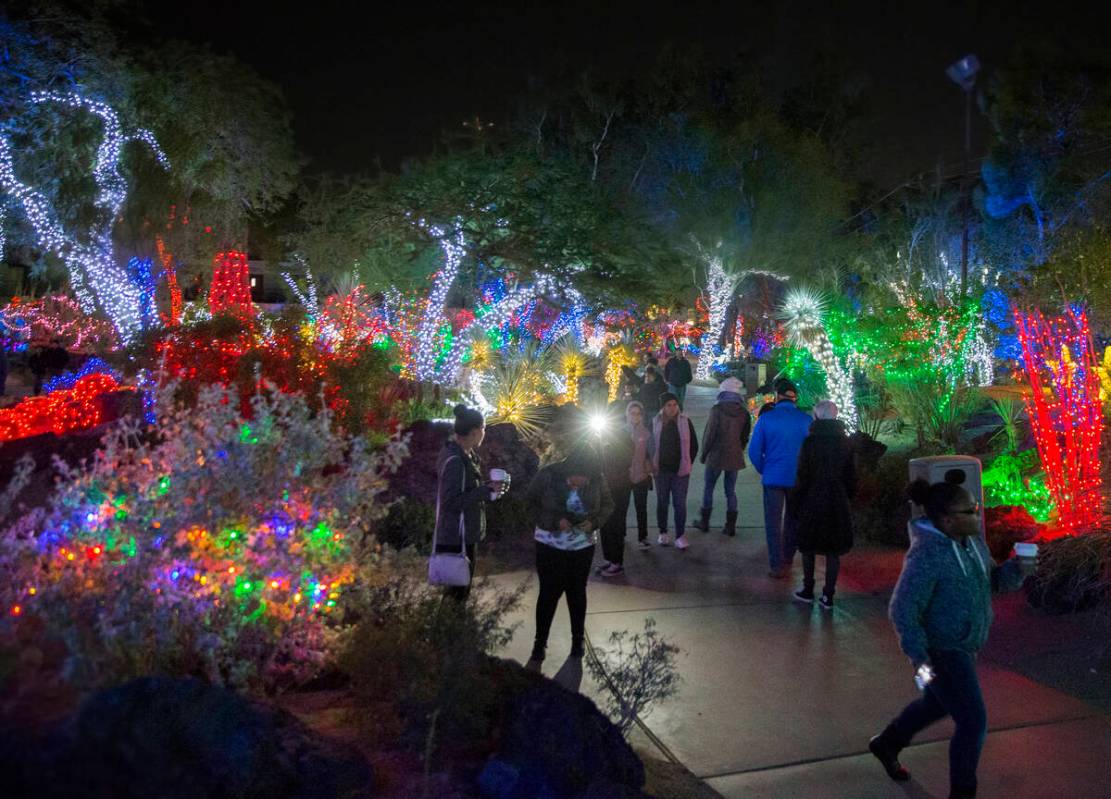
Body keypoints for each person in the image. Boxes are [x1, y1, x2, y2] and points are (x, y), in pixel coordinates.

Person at [869, 479, 1034, 799]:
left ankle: (886, 744)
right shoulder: (927, 556)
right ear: (946, 520)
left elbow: (993, 583)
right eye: (970, 510)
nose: (977, 514)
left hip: (964, 646)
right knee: (973, 722)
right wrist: (920, 657)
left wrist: (1019, 567)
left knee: (935, 705)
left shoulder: (972, 543)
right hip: (941, 651)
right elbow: (902, 609)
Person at [525, 437, 614, 667]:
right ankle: (539, 642)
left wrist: (593, 522)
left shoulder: (596, 478)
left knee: (577, 593)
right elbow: (529, 504)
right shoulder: (548, 475)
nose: (583, 483)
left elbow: (608, 505)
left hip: (582, 546)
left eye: (587, 479)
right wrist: (555, 521)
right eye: (579, 478)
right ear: (571, 468)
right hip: (549, 544)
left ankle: (577, 641)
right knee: (549, 593)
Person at [433, 404, 503, 601]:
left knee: (458, 591)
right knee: (457, 594)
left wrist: (487, 491)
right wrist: (483, 491)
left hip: (463, 533)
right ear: (474, 431)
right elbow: (450, 501)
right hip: (457, 536)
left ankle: (453, 628)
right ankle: (452, 630)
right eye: (484, 428)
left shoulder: (466, 455)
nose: (484, 433)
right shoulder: (456, 460)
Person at [791, 400, 856, 608]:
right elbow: (851, 475)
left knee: (808, 546)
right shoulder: (845, 442)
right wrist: (848, 497)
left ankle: (808, 588)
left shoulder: (810, 442)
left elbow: (802, 474)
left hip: (812, 498)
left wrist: (797, 500)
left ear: (816, 416)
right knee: (833, 550)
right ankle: (829, 594)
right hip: (837, 500)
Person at [747, 379, 812, 578]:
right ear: (794, 398)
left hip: (773, 477)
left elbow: (754, 451)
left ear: (778, 396)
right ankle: (788, 556)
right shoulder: (806, 420)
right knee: (792, 519)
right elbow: (811, 452)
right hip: (797, 478)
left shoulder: (766, 419)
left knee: (773, 522)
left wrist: (764, 469)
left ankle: (776, 564)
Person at [599, 401, 654, 573]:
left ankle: (617, 561)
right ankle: (609, 558)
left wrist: (646, 469)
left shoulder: (629, 437)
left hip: (623, 483)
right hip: (609, 484)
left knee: (616, 521)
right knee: (607, 523)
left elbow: (630, 458)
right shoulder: (608, 435)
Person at [695, 377, 751, 536]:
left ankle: (705, 522)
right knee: (730, 491)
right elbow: (745, 434)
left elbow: (709, 434)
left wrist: (704, 454)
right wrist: (739, 448)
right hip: (734, 455)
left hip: (716, 455)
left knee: (709, 487)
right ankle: (730, 525)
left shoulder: (717, 410)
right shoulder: (743, 412)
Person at [651, 392, 698, 549]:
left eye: (674, 405)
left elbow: (694, 445)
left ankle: (680, 535)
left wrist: (687, 460)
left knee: (680, 504)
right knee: (662, 502)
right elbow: (650, 446)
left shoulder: (686, 422)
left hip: (681, 471)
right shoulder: (655, 422)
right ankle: (663, 532)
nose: (672, 408)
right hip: (661, 471)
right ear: (662, 408)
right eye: (668, 405)